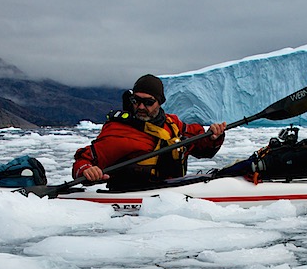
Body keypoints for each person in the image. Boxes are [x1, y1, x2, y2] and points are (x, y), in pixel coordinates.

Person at [73, 74, 227, 189]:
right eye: (136, 101)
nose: (141, 107)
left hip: (172, 198)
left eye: (148, 102)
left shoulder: (172, 124)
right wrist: (86, 170)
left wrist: (213, 137)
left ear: (159, 102)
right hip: (135, 208)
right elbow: (84, 160)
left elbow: (201, 146)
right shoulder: (118, 131)